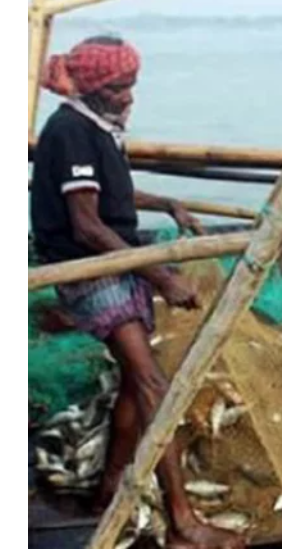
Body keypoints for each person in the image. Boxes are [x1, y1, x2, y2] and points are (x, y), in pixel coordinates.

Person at [30, 36, 243, 548]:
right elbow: (85, 223)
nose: (129, 96)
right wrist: (163, 278)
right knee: (152, 384)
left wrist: (166, 201)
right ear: (97, 88)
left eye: (132, 85)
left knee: (133, 380)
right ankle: (182, 523)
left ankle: (107, 492)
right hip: (92, 269)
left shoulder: (97, 126)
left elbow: (111, 193)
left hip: (120, 259)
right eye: (121, 88)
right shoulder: (71, 131)